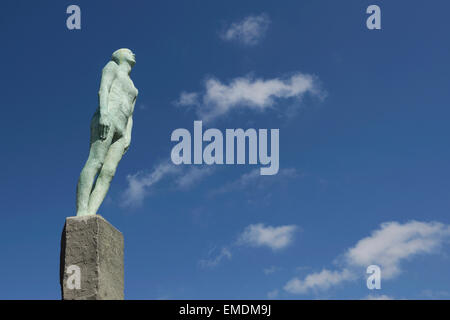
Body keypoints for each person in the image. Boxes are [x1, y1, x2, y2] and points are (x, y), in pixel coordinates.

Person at [76, 48, 138, 216]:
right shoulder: (112, 66)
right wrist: (104, 113)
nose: (133, 53)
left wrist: (128, 135)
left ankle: (91, 211)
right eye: (129, 51)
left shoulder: (133, 87)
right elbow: (103, 89)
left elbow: (131, 114)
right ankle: (82, 210)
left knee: (109, 172)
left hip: (122, 128)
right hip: (107, 117)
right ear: (119, 55)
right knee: (96, 161)